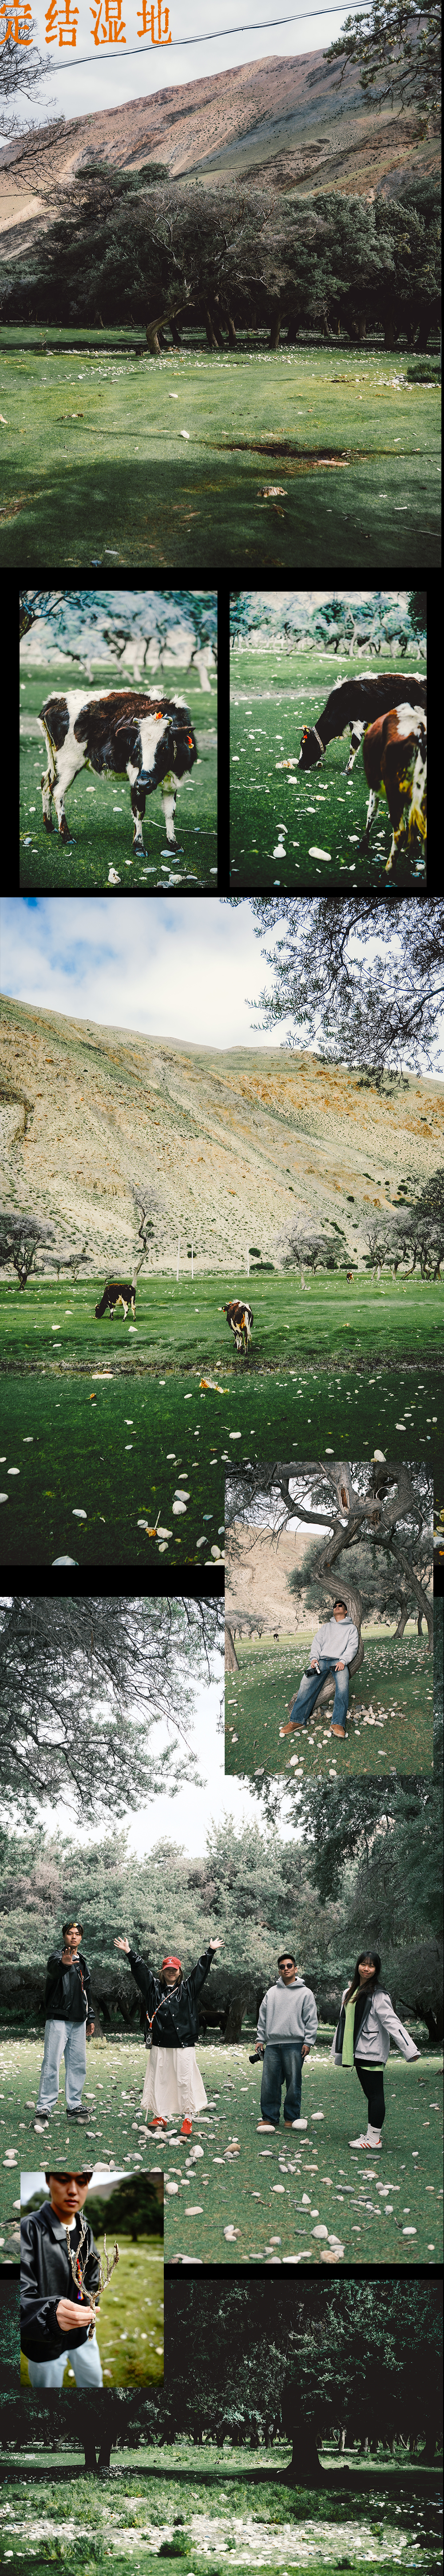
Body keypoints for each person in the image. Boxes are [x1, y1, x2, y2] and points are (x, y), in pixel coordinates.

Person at [114, 1934, 223, 2138]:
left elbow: (200, 1973)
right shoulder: (153, 1988)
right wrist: (129, 1952)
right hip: (160, 2044)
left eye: (174, 1969)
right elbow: (141, 1971)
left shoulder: (189, 1989)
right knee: (160, 2080)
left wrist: (210, 1952)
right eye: (168, 1970)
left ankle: (188, 2119)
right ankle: (161, 2116)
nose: (171, 1972)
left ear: (179, 1971)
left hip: (184, 2044)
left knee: (185, 2081)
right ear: (162, 1973)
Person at [20, 2169, 103, 2388]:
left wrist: (91, 2305)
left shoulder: (86, 2228)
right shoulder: (28, 2229)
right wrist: (49, 2315)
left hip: (83, 2333)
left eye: (82, 2182)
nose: (73, 2191)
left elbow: (93, 2273)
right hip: (43, 2343)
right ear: (48, 2180)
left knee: (94, 2384)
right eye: (64, 2180)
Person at [332, 1952, 420, 2148]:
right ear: (358, 1966)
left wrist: (410, 2050)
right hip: (358, 2051)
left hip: (371, 2050)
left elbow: (392, 2022)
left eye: (371, 1966)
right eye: (363, 1964)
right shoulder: (350, 1992)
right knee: (371, 2094)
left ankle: (374, 2139)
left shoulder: (378, 1994)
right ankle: (372, 2135)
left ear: (376, 1970)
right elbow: (345, 2023)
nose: (366, 1969)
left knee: (375, 2095)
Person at [34, 1920, 95, 2132]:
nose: (74, 1937)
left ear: (81, 1938)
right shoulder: (56, 1957)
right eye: (70, 1933)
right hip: (59, 2017)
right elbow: (53, 1971)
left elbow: (85, 1991)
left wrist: (92, 2017)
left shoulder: (84, 1962)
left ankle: (74, 2106)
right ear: (64, 1936)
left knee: (78, 2064)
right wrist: (64, 1963)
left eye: (78, 1934)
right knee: (52, 2063)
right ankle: (44, 2107)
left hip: (79, 2020)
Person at [252, 1952, 318, 2132]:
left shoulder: (306, 1993)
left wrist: (308, 2042)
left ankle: (292, 2117)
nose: (286, 1969)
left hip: (296, 2045)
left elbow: (311, 2019)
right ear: (279, 1970)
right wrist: (261, 2039)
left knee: (293, 2082)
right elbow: (263, 2018)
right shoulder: (272, 1993)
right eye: (282, 1967)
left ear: (296, 1969)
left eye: (289, 1966)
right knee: (270, 2083)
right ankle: (270, 2117)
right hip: (273, 2044)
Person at [279, 1599, 359, 1742]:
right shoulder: (326, 1627)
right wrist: (314, 1658)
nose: (337, 1607)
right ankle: (297, 1721)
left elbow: (353, 1647)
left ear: (346, 1611)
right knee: (305, 1685)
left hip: (338, 1661)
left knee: (343, 1688)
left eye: (340, 1606)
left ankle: (338, 1724)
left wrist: (343, 1661)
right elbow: (317, 1643)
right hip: (321, 1661)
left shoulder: (351, 1628)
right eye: (335, 1606)